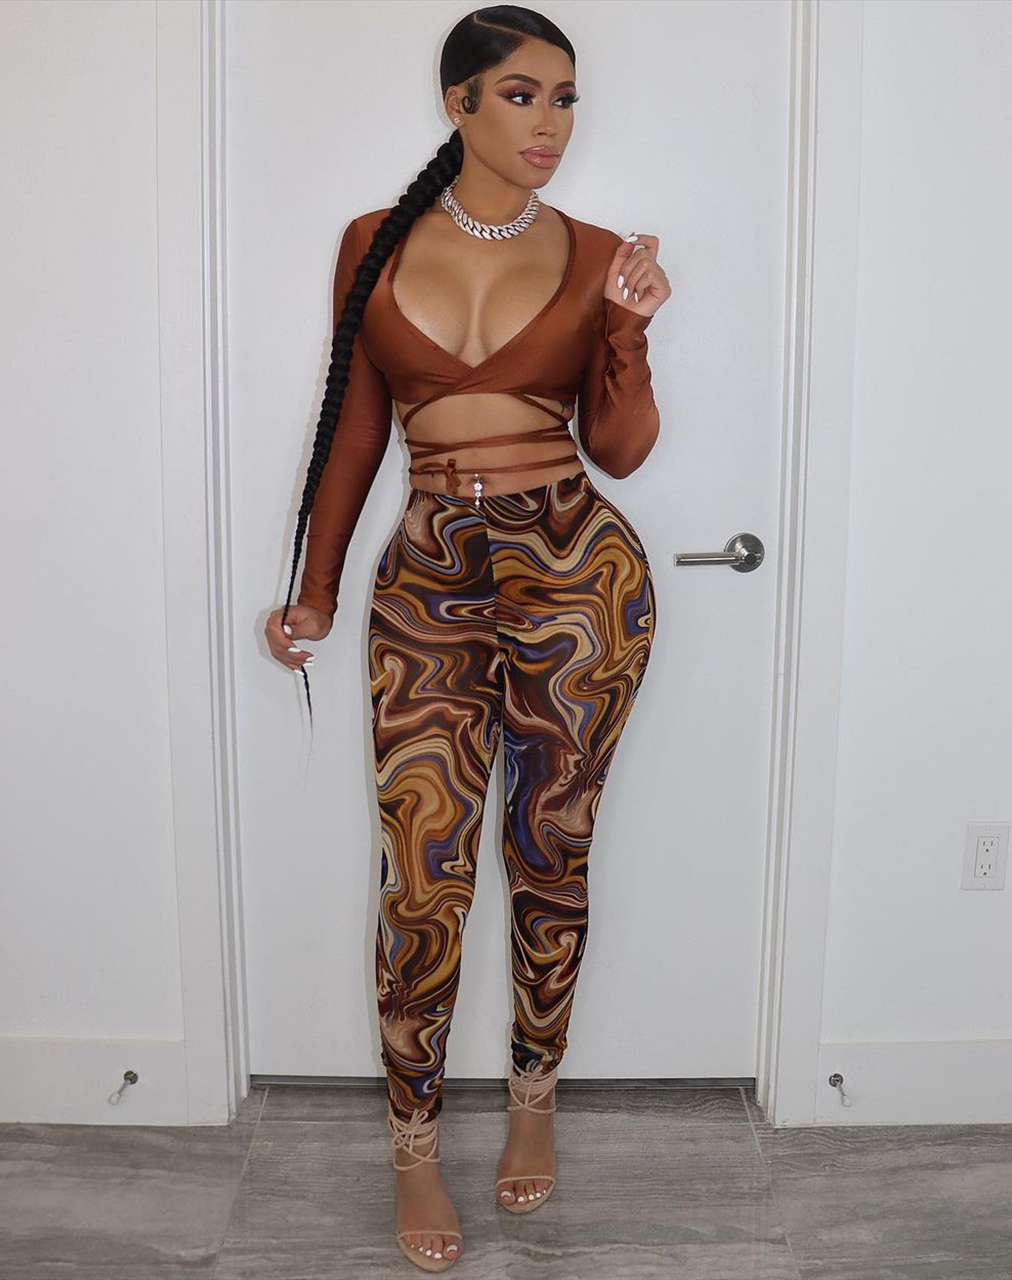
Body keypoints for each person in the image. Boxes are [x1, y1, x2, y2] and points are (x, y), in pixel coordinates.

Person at [262, 5, 671, 1272]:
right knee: (422, 874)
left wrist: (628, 327)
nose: (550, 122)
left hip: (575, 576)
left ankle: (533, 1104)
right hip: (430, 579)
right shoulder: (372, 243)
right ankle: (412, 1147)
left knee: (550, 852)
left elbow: (620, 449)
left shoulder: (596, 251)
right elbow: (355, 423)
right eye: (522, 95)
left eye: (565, 98)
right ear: (459, 103)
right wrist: (316, 588)